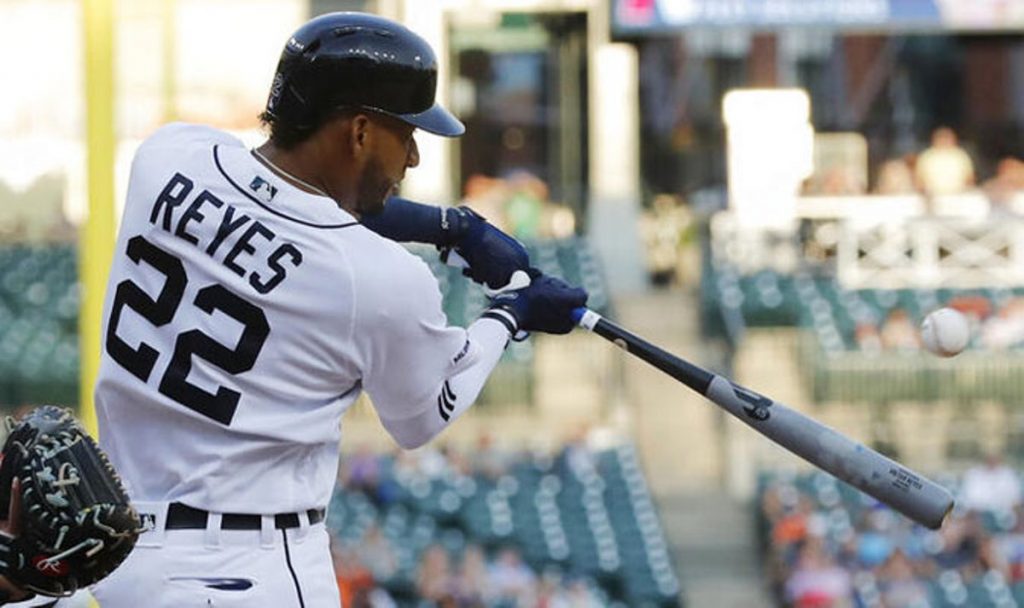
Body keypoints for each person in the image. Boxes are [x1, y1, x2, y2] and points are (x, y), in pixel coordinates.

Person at [89, 12, 587, 607]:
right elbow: (422, 418)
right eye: (407, 134)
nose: (413, 158)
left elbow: (285, 192)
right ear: (359, 131)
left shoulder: (167, 156)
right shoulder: (376, 278)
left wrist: (449, 226)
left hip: (112, 558)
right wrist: (510, 314)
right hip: (248, 570)